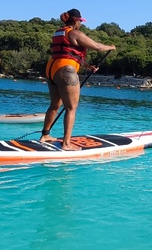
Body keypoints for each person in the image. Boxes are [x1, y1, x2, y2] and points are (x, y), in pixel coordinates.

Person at [40, 9, 116, 150]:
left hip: (51, 69)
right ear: (76, 20)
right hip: (66, 71)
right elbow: (97, 47)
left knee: (54, 105)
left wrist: (87, 66)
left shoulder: (59, 32)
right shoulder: (74, 33)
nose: (81, 23)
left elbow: (67, 53)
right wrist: (111, 47)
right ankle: (66, 144)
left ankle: (45, 135)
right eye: (80, 21)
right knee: (71, 108)